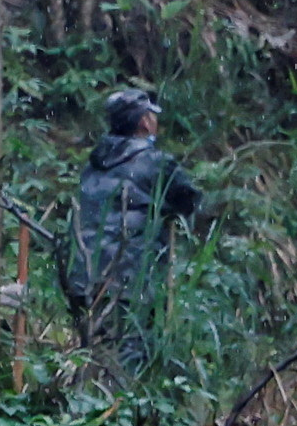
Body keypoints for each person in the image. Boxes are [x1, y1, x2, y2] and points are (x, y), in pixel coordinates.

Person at [64, 89, 204, 369]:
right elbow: (190, 200)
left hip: (83, 276)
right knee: (132, 353)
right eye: (152, 116)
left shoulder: (93, 165)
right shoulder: (155, 163)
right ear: (144, 123)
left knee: (93, 351)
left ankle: (86, 403)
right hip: (130, 278)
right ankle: (123, 407)